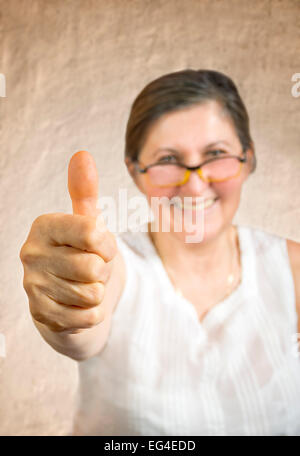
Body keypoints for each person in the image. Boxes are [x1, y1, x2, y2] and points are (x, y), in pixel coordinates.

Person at [20, 69, 300, 436]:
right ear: (136, 173)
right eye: (168, 159)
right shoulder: (110, 265)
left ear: (247, 159)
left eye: (216, 153)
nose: (195, 184)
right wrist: (65, 308)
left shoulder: (291, 269)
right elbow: (81, 327)